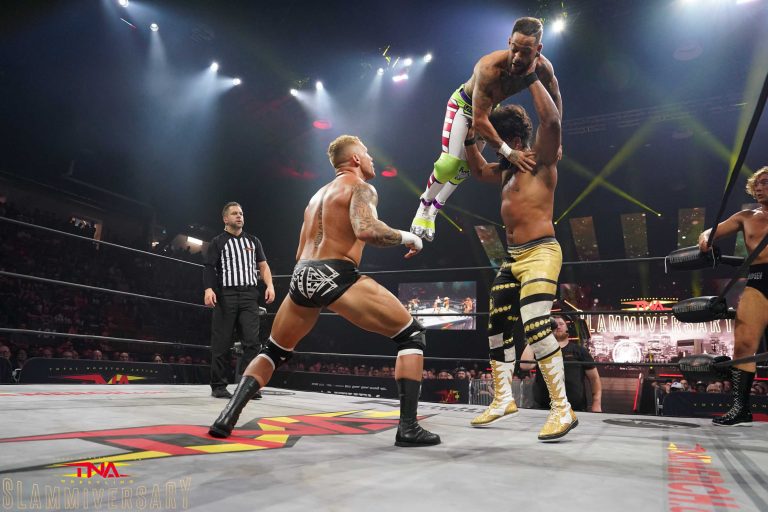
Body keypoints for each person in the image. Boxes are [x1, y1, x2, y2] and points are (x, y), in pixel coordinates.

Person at [209, 135, 440, 447]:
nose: (371, 159)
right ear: (355, 158)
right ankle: (409, 428)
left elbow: (299, 251)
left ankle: (226, 417)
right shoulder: (361, 188)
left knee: (273, 350)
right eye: (367, 153)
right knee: (412, 335)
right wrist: (409, 238)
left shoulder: (316, 197)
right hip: (335, 272)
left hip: (301, 275)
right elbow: (366, 230)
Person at [463, 51, 576, 441]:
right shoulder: (507, 168)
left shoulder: (542, 159)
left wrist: (530, 78)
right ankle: (502, 398)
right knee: (496, 326)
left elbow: (552, 121)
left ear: (512, 140)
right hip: (511, 259)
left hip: (542, 251)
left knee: (536, 322)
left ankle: (562, 409)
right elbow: (477, 169)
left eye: (497, 142)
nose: (494, 147)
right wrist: (469, 135)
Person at [410, 17, 562, 242]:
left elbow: (555, 95)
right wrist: (509, 153)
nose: (517, 57)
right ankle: (423, 206)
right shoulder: (489, 67)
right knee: (449, 164)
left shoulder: (543, 68)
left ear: (538, 49)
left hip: (488, 109)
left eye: (525, 52)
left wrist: (558, 140)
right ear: (509, 41)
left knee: (464, 169)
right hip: (464, 106)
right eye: (514, 49)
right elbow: (479, 120)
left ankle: (434, 211)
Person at [698, 166, 768, 426]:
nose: (759, 187)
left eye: (765, 182)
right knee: (744, 344)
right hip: (759, 279)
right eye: (757, 184)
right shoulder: (746, 216)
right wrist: (705, 240)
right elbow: (710, 232)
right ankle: (740, 408)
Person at [204, 202, 276, 399]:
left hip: (249, 295)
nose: (239, 216)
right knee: (222, 342)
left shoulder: (253, 241)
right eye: (235, 213)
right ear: (225, 219)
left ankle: (247, 386)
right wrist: (209, 289)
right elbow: (209, 267)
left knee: (252, 342)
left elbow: (263, 265)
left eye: (241, 213)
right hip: (226, 295)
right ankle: (218, 386)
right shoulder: (218, 242)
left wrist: (270, 285)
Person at [521, 316, 602, 412]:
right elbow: (524, 365)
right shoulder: (542, 350)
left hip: (575, 409)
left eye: (561, 324)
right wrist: (535, 337)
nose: (558, 327)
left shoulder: (579, 351)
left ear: (567, 328)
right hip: (544, 408)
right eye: (554, 325)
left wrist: (597, 403)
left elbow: (594, 379)